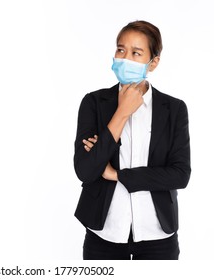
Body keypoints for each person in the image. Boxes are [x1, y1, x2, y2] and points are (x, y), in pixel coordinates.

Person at [73, 20, 191, 260]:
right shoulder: (94, 103)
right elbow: (86, 170)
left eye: (136, 53)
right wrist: (122, 112)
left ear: (153, 62)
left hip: (158, 234)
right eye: (120, 50)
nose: (125, 58)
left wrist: (117, 175)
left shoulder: (174, 109)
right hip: (103, 233)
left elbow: (179, 175)